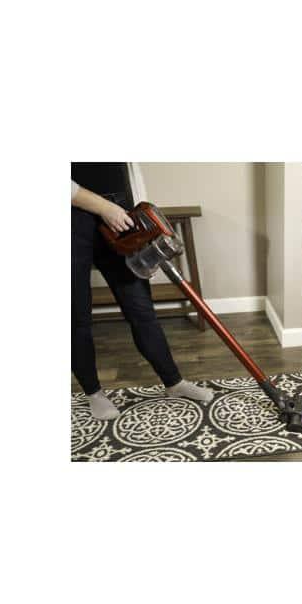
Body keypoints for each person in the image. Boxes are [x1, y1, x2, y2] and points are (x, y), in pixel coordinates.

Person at [71, 162, 212, 420]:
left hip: (120, 213)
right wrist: (105, 208)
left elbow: (127, 170)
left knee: (141, 309)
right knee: (76, 317)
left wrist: (141, 229)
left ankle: (173, 382)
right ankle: (94, 394)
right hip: (73, 220)